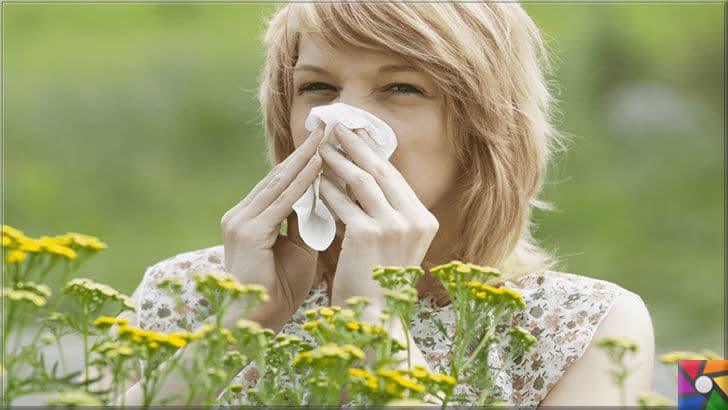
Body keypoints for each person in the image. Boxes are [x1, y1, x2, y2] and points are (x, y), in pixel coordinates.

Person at [111, 2, 654, 406]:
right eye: (318, 88)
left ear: (484, 126)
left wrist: (374, 321)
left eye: (401, 88)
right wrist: (239, 323)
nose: (341, 122)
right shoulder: (183, 293)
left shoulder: (581, 326)